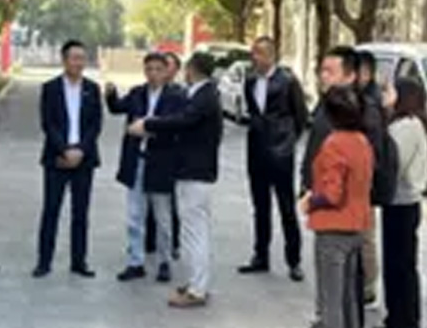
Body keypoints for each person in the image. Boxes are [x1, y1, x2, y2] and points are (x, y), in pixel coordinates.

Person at [291, 46, 387, 328]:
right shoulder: (328, 105)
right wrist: (307, 182)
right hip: (324, 200)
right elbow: (315, 148)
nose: (323, 76)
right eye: (322, 70)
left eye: (330, 71)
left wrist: (329, 192)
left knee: (343, 278)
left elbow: (370, 160)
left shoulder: (363, 111)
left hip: (344, 207)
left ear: (351, 75)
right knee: (331, 279)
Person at [128, 52, 224, 308]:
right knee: (194, 231)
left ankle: (197, 289)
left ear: (192, 69)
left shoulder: (205, 96)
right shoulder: (203, 94)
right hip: (191, 171)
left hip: (195, 171)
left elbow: (183, 121)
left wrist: (148, 124)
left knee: (194, 232)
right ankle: (196, 281)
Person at [294, 86, 373, 328]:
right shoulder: (362, 142)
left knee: (329, 302)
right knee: (348, 300)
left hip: (333, 228)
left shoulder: (334, 144)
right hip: (356, 225)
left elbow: (331, 193)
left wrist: (310, 201)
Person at [105, 52, 187, 283]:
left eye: (158, 69)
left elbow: (177, 126)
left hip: (161, 162)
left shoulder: (175, 97)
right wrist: (110, 95)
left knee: (163, 217)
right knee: (135, 215)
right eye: (149, 69)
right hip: (136, 160)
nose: (153, 74)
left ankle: (164, 261)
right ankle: (135, 262)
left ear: (166, 71)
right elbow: (117, 108)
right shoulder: (137, 93)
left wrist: (149, 129)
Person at [238, 37, 307, 282]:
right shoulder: (250, 80)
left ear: (271, 55)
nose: (254, 58)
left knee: (286, 207)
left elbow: (301, 115)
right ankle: (261, 255)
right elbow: (253, 112)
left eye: (258, 53)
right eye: (253, 53)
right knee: (260, 207)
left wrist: (288, 142)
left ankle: (294, 260)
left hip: (280, 152)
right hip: (256, 150)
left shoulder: (287, 81)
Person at [33, 40, 103, 278]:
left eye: (82, 58)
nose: (79, 63)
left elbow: (95, 124)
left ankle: (79, 261)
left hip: (84, 158)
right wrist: (64, 150)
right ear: (64, 60)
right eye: (74, 58)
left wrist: (81, 150)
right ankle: (44, 262)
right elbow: (48, 123)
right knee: (51, 210)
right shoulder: (50, 88)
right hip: (57, 158)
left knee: (80, 213)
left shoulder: (92, 88)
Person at [378, 78, 427, 328]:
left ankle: (406, 322)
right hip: (396, 202)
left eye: (389, 91)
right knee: (393, 262)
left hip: (404, 202)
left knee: (401, 264)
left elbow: (393, 163)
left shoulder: (408, 126)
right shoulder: (399, 124)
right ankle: (394, 317)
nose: (384, 95)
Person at [355, 50, 382, 306]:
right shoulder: (355, 97)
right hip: (352, 179)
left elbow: (373, 148)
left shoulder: (371, 103)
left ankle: (368, 285)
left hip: (364, 181)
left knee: (365, 235)